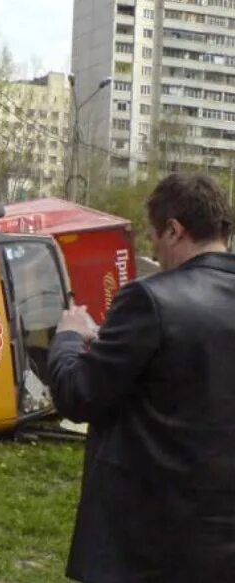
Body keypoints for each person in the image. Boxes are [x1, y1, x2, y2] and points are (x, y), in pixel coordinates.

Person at [39, 173, 235, 582]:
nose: (156, 254)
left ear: (174, 229)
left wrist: (70, 338)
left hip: (150, 541)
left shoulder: (150, 299)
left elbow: (78, 395)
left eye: (155, 240)